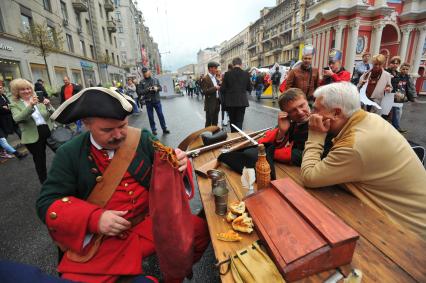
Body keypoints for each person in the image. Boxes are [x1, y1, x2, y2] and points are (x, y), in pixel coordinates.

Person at [36, 87, 209, 282]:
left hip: (150, 223)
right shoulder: (69, 153)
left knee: (201, 232)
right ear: (86, 124)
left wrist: (178, 163)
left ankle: (176, 272)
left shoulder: (141, 138)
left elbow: (168, 163)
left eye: (123, 126)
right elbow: (47, 203)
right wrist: (94, 219)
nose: (119, 135)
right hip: (105, 240)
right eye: (107, 130)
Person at [301, 82, 426, 237]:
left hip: (406, 233)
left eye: (316, 109)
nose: (311, 114)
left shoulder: (355, 145)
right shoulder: (369, 118)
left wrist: (315, 136)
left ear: (336, 113)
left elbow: (309, 176)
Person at [258, 88, 332, 166]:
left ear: (307, 101)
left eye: (302, 105)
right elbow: (268, 144)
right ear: (286, 113)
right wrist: (282, 132)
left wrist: (271, 153)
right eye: (292, 110)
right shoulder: (289, 121)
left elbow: (321, 155)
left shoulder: (323, 120)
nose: (300, 112)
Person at [10, 79, 55, 184]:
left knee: (63, 151)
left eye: (28, 88)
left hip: (48, 129)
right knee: (40, 161)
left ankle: (68, 175)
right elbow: (17, 118)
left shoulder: (38, 99)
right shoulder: (14, 104)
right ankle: (45, 183)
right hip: (32, 136)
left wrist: (48, 105)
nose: (26, 91)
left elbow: (53, 113)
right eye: (22, 89)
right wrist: (30, 106)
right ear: (17, 91)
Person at [220, 57, 252, 132]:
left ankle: (233, 138)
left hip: (230, 102)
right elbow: (249, 88)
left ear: (233, 64)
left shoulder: (227, 74)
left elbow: (222, 89)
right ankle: (238, 138)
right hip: (242, 101)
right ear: (241, 64)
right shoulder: (246, 74)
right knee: (239, 121)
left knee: (232, 122)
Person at [137, 68, 170, 136]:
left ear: (149, 71)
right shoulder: (142, 82)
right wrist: (148, 89)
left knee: (160, 115)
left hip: (156, 100)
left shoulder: (155, 80)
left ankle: (164, 128)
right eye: (143, 72)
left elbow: (160, 88)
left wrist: (157, 88)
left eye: (146, 72)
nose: (145, 73)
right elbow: (140, 92)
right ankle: (153, 130)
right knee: (150, 117)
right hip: (148, 101)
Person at [0, 84, 27, 160]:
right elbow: (2, 109)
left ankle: (4, 152)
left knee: (4, 138)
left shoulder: (4, 96)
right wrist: (6, 108)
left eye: (1, 87)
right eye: (0, 88)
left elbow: (9, 106)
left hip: (10, 119)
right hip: (4, 121)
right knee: (3, 139)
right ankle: (17, 154)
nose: (1, 89)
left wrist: (7, 107)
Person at [390, 62, 417, 133]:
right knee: (395, 111)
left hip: (402, 97)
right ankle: (395, 127)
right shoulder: (396, 76)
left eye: (407, 69)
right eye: (403, 69)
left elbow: (411, 87)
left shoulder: (408, 77)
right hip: (394, 96)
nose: (405, 70)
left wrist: (413, 97)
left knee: (398, 112)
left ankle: (395, 127)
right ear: (400, 68)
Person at [200, 61, 221, 127]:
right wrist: (215, 88)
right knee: (208, 123)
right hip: (210, 104)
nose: (216, 69)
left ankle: (214, 136)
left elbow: (218, 87)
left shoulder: (215, 78)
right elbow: (204, 91)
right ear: (210, 68)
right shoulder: (205, 79)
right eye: (215, 68)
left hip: (217, 102)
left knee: (215, 122)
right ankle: (207, 136)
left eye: (216, 68)